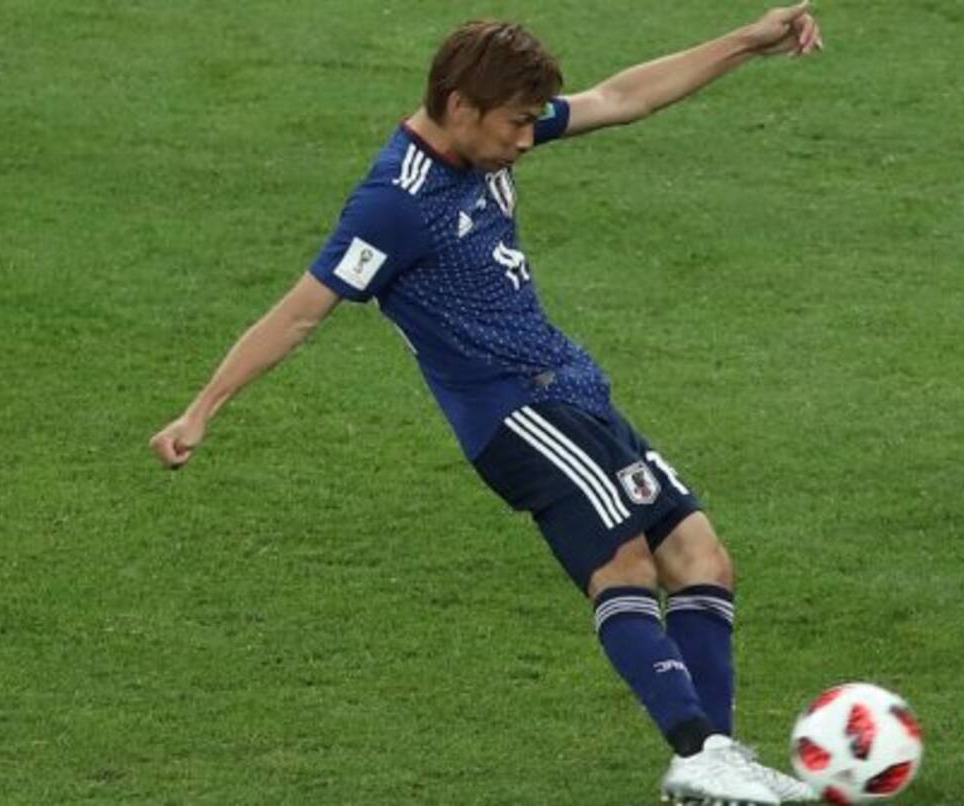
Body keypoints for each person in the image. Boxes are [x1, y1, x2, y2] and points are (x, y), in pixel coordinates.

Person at [151, 5, 823, 803]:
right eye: (516, 123)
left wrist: (748, 41)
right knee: (625, 564)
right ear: (460, 106)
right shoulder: (395, 203)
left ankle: (716, 762)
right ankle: (695, 751)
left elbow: (622, 98)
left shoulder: (489, 138)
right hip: (515, 416)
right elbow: (301, 312)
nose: (528, 139)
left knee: (703, 559)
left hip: (571, 389)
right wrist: (204, 408)